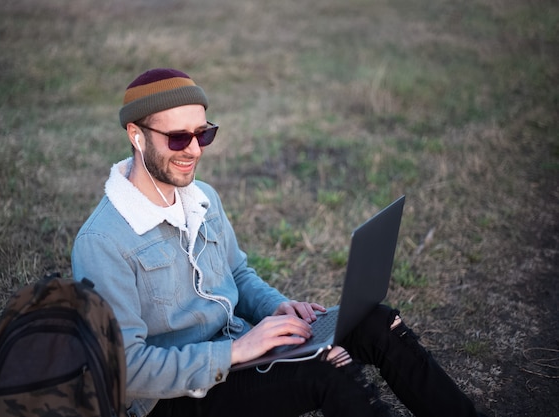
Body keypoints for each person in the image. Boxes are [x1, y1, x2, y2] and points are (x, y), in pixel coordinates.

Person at [71, 68, 485, 417]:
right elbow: (126, 369)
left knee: (377, 323)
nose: (194, 150)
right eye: (178, 138)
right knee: (327, 371)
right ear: (136, 135)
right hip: (172, 398)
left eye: (204, 134)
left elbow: (236, 273)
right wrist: (237, 351)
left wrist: (277, 309)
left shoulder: (203, 198)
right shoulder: (103, 241)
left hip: (239, 351)